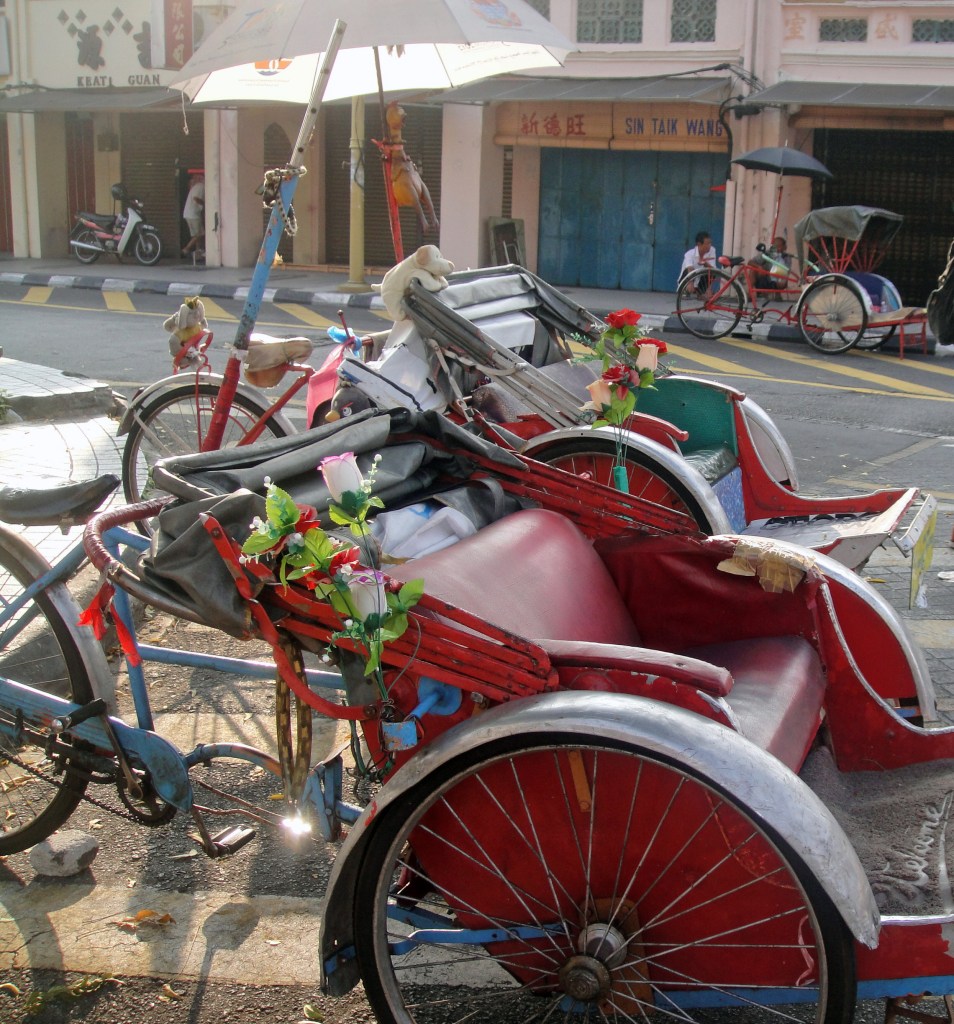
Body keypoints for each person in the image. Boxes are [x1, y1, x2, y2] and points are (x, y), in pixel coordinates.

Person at [181, 173, 205, 257]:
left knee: (197, 234)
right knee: (199, 234)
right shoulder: (201, 186)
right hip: (193, 214)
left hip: (188, 214)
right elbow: (196, 198)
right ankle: (186, 249)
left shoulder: (196, 187)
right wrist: (204, 204)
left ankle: (198, 253)